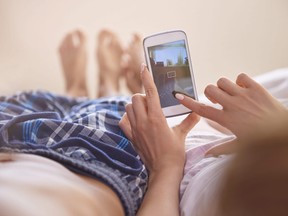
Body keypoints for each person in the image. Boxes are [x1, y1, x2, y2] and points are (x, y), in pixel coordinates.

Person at [0, 28, 287, 216]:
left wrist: (165, 167)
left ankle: (83, 89)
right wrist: (276, 130)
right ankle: (97, 91)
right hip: (65, 155)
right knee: (106, 115)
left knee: (108, 118)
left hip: (86, 165)